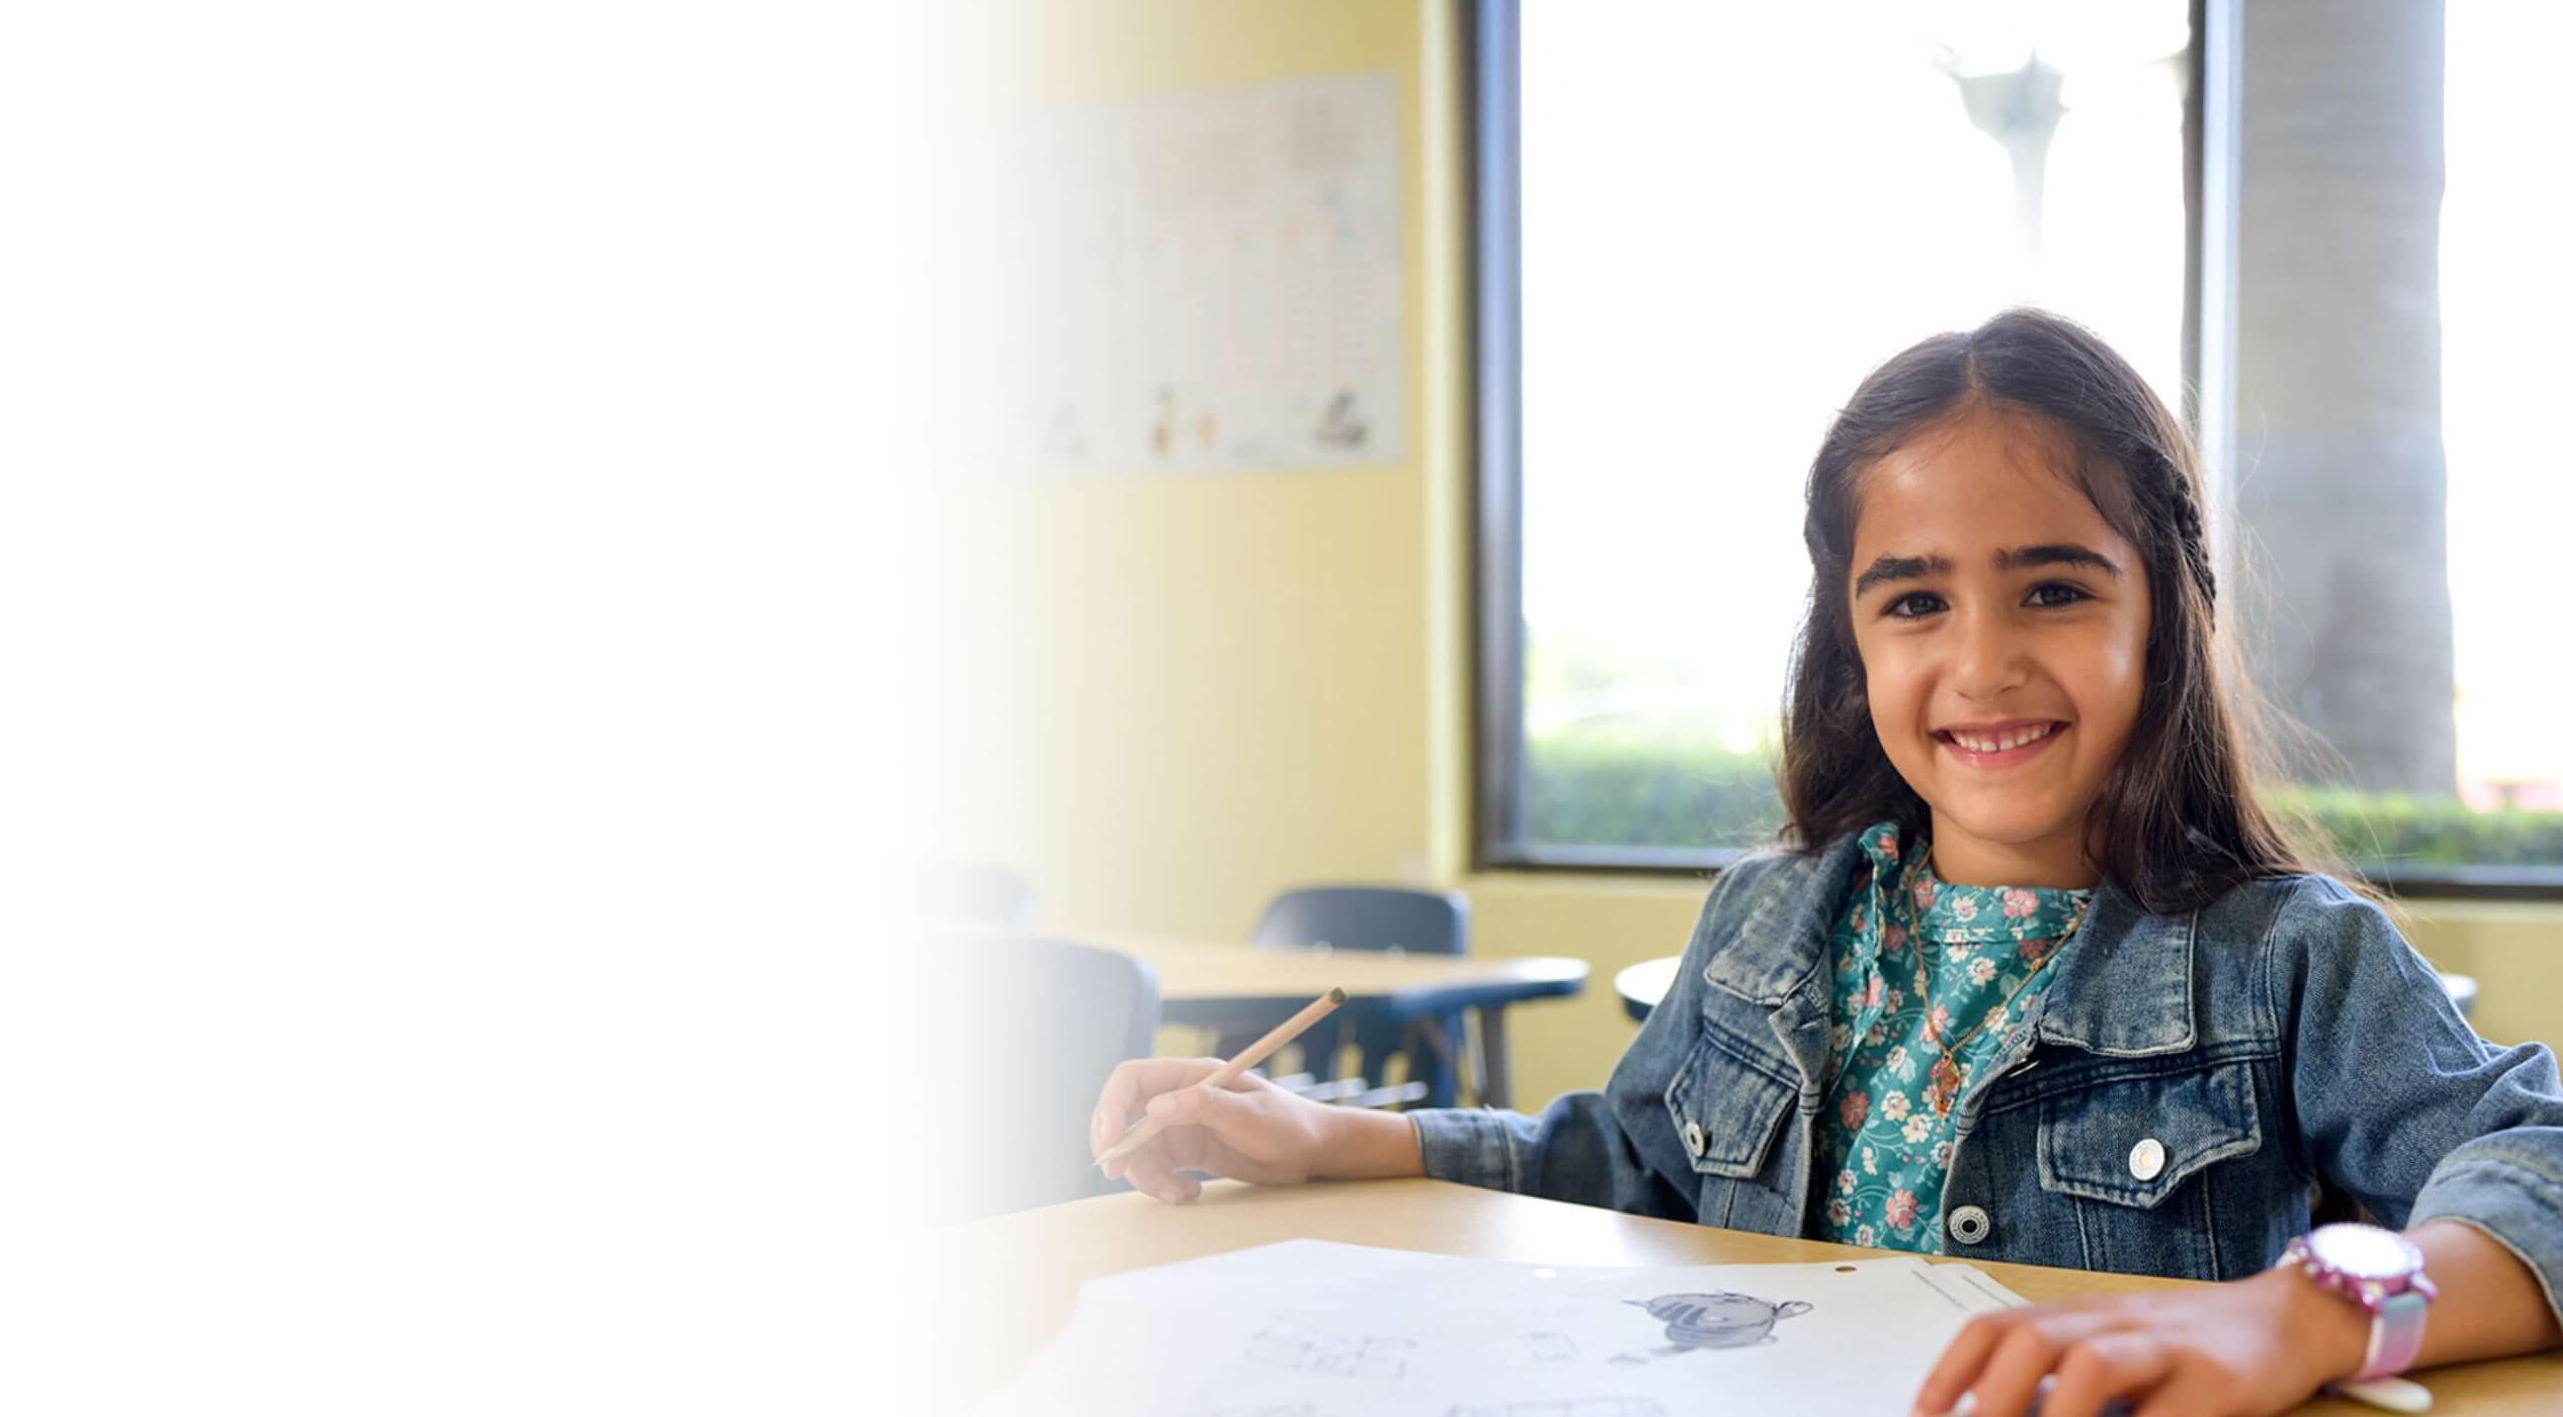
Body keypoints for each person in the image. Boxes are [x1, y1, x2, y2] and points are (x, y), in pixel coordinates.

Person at [1085, 309, 2563, 1417]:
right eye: (1914, 601)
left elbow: (2543, 1161)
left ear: (2162, 618)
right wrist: (1329, 1135)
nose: (1983, 663)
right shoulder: (1770, 921)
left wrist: (2296, 1319)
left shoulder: (2290, 960)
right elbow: (1631, 1167)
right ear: (1851, 646)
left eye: (2054, 587)